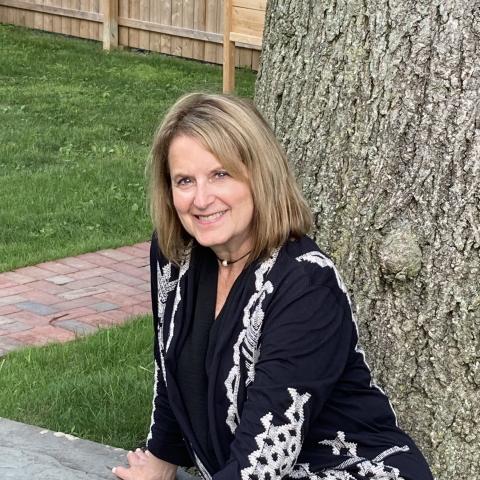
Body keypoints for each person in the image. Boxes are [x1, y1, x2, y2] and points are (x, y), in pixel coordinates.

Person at [113, 93, 433, 480]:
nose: (200, 199)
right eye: (185, 180)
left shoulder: (305, 283)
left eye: (220, 174)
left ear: (258, 175)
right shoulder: (175, 253)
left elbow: (262, 463)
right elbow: (171, 368)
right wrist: (161, 459)